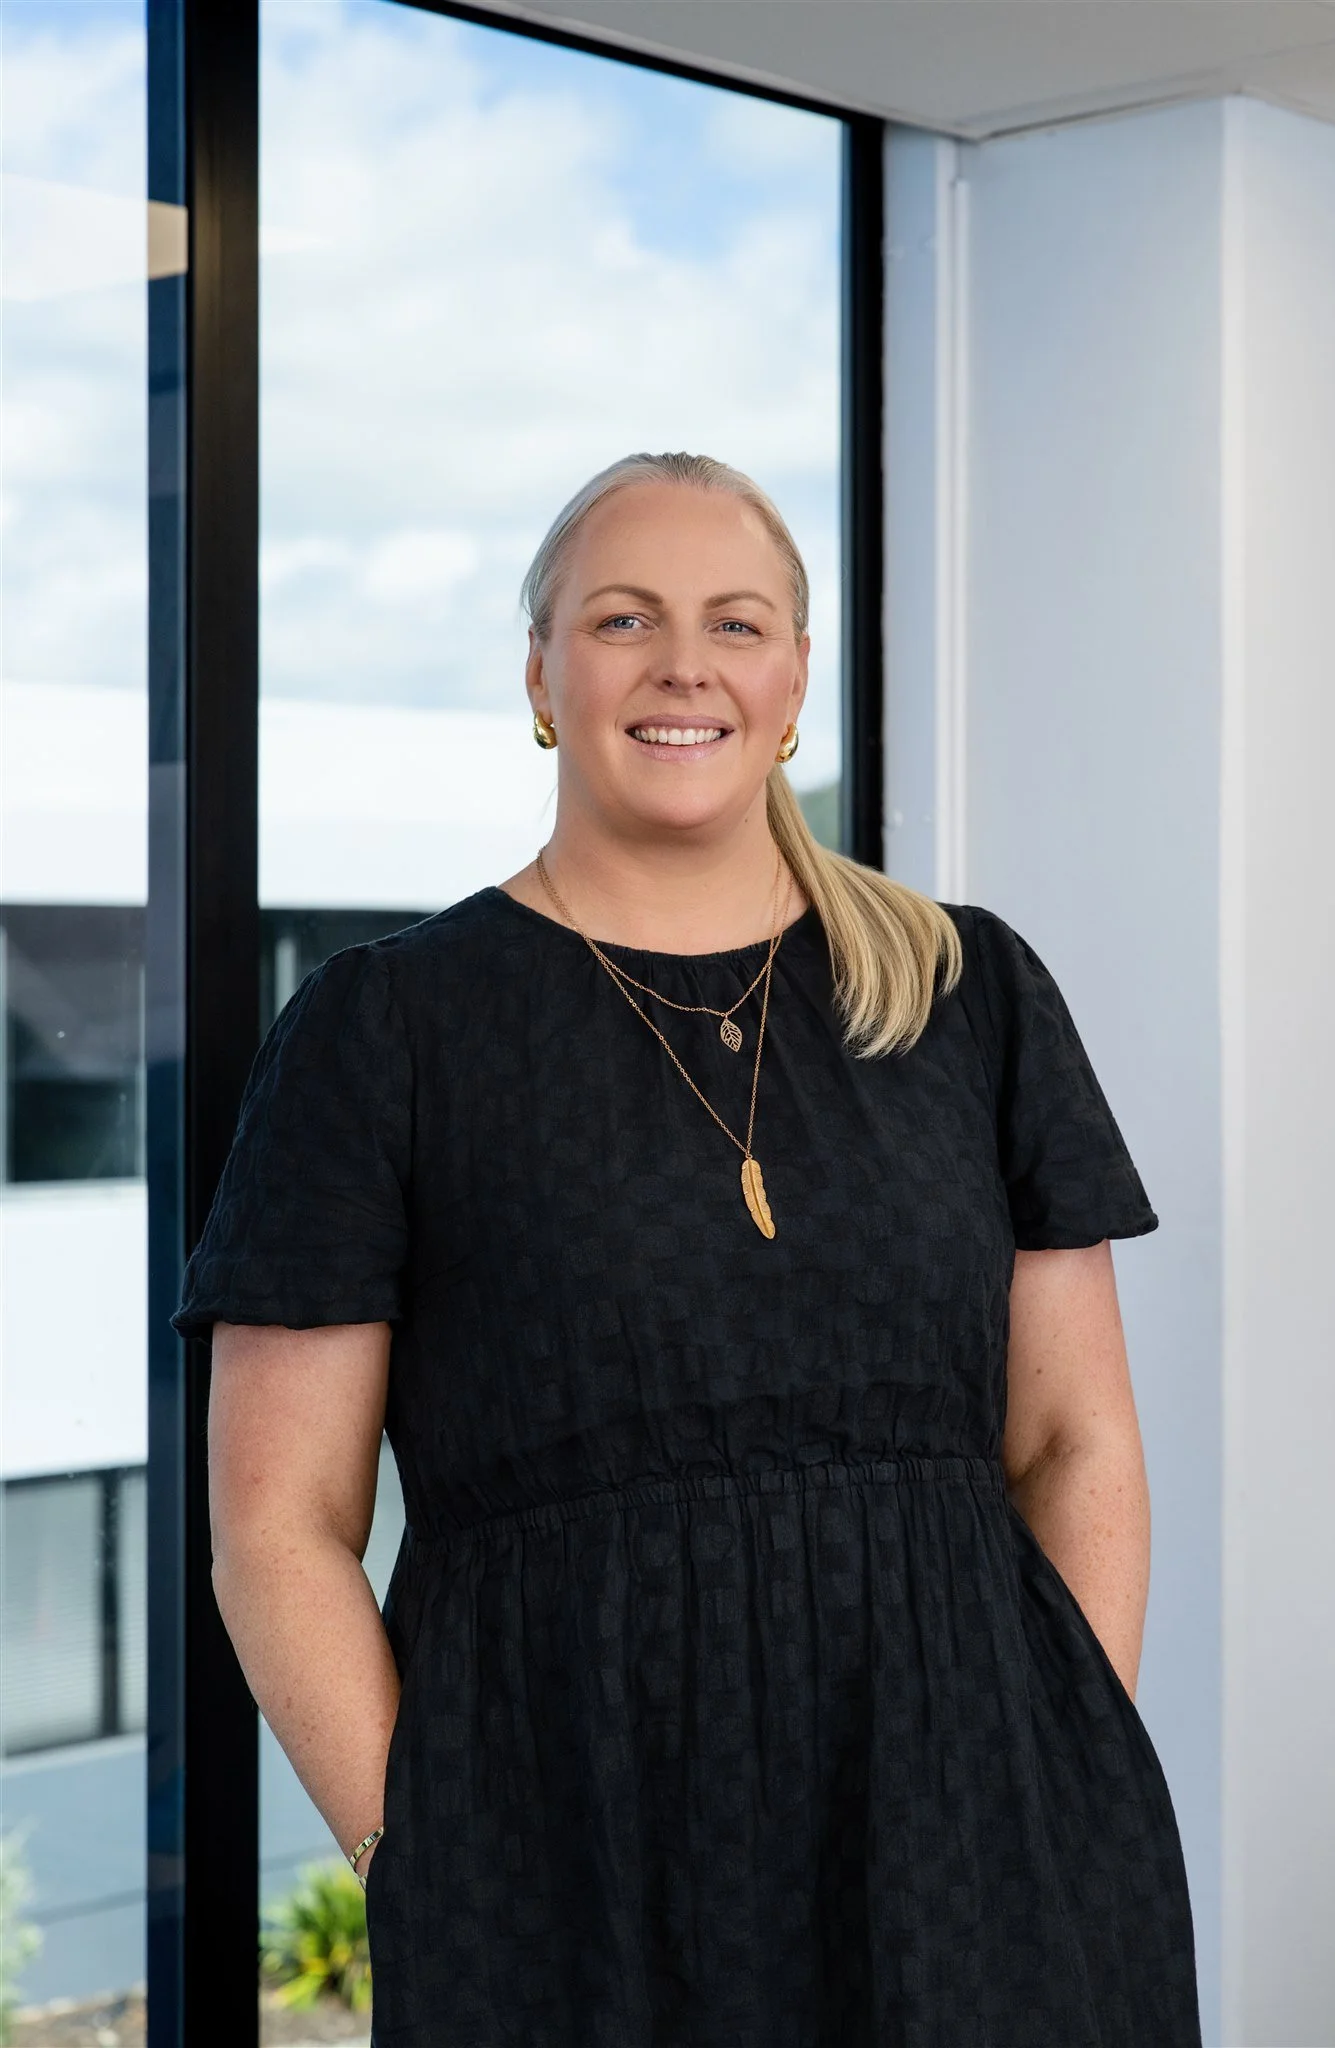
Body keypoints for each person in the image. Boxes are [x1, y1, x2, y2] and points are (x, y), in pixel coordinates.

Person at [172, 450, 1202, 2044]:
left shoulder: (968, 994)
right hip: (562, 1871)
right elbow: (276, 1527)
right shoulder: (385, 1033)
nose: (683, 669)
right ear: (540, 672)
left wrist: (1063, 1763)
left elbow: (1075, 1438)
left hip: (986, 1850)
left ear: (795, 680)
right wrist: (420, 1852)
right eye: (622, 620)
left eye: (735, 624)